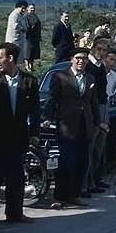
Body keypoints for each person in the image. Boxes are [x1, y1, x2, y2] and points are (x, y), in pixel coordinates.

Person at [0, 42, 40, 224]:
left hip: (18, 138)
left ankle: (15, 213)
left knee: (16, 178)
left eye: (0, 57)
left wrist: (34, 134)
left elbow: (35, 111)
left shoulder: (30, 81)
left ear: (11, 58)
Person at [43, 47, 100, 209]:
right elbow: (52, 99)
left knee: (82, 162)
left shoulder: (90, 78)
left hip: (85, 126)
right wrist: (47, 117)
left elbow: (94, 103)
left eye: (84, 58)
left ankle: (74, 195)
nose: (81, 61)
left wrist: (99, 121)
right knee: (66, 162)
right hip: (67, 126)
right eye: (78, 58)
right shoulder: (61, 76)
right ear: (71, 59)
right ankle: (59, 197)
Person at [82, 39, 110, 197]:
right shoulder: (89, 66)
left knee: (100, 148)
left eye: (104, 50)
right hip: (93, 109)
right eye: (98, 49)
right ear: (92, 49)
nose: (101, 52)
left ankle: (96, 180)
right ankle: (86, 184)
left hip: (103, 106)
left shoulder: (101, 67)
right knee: (90, 149)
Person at [24, 4, 41, 72]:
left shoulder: (35, 16)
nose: (32, 9)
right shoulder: (26, 16)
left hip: (35, 38)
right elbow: (26, 27)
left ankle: (31, 66)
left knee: (33, 53)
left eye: (33, 8)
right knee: (27, 52)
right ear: (28, 9)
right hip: (28, 37)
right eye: (31, 8)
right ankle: (27, 66)